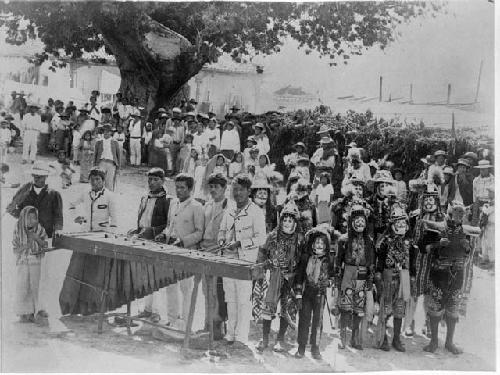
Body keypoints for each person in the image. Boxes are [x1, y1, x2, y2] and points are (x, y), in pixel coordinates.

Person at [59, 167, 118, 315]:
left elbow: (115, 221)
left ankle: (96, 307)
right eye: (92, 179)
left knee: (97, 273)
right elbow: (70, 204)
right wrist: (77, 216)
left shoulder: (110, 196)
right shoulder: (85, 193)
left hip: (100, 239)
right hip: (85, 236)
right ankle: (75, 306)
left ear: (103, 181)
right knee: (79, 270)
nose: (94, 182)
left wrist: (108, 234)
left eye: (98, 179)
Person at [422, 202, 478, 355]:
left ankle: (449, 342)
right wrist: (437, 244)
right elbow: (423, 246)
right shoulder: (438, 228)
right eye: (456, 213)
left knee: (453, 307)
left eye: (462, 214)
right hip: (439, 272)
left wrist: (467, 247)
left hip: (457, 273)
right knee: (435, 306)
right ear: (450, 213)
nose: (459, 216)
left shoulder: (466, 231)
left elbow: (470, 253)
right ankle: (433, 341)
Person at [218, 174, 266, 345]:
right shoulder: (229, 210)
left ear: (248, 191)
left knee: (243, 300)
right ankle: (230, 334)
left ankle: (241, 337)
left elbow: (261, 239)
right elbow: (222, 231)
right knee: (230, 298)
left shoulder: (256, 212)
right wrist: (222, 241)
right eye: (234, 190)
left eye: (240, 190)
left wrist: (240, 243)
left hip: (245, 262)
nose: (237, 193)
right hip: (228, 260)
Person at [155, 174, 205, 330]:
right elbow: (170, 225)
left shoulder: (197, 207)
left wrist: (183, 241)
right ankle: (172, 319)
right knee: (170, 286)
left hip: (187, 252)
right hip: (171, 250)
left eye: (182, 187)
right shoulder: (173, 203)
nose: (179, 190)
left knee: (186, 289)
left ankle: (185, 323)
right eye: (177, 187)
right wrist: (164, 234)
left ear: (190, 189)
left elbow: (199, 232)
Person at [254, 201, 303, 352]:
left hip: (290, 278)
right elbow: (261, 254)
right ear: (280, 221)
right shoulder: (272, 237)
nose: (287, 223)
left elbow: (301, 261)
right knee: (268, 307)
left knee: (287, 308)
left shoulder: (299, 240)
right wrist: (262, 269)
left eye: (291, 220)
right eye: (285, 220)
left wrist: (299, 283)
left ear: (295, 223)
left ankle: (280, 339)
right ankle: (265, 338)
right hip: (273, 276)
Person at [126, 168, 173, 322]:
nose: (152, 183)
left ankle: (157, 312)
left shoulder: (168, 200)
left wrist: (152, 231)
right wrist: (137, 229)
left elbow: (169, 224)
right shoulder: (144, 197)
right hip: (142, 240)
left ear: (163, 181)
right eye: (150, 179)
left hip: (156, 241)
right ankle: (146, 309)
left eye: (155, 180)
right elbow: (142, 218)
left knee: (156, 278)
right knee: (144, 277)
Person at [375, 202, 417, 352]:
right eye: (397, 223)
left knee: (399, 309)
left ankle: (397, 339)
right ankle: (384, 337)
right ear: (392, 225)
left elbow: (412, 263)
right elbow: (380, 260)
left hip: (403, 279)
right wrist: (378, 273)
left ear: (407, 226)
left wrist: (412, 276)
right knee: (386, 308)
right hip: (388, 277)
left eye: (403, 223)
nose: (400, 226)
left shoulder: (410, 244)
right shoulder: (386, 242)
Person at [294, 225, 335, 359]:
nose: (319, 245)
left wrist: (329, 282)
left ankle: (315, 347)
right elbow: (299, 276)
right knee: (304, 319)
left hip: (320, 294)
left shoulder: (328, 260)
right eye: (317, 242)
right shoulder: (306, 258)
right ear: (312, 244)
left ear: (326, 246)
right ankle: (301, 347)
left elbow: (332, 275)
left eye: (322, 243)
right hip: (307, 292)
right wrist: (298, 293)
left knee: (318, 321)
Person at [336, 203, 374, 350]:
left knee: (359, 308)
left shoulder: (369, 241)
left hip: (362, 275)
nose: (360, 223)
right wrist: (338, 279)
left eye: (362, 221)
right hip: (348, 274)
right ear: (351, 222)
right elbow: (338, 262)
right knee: (345, 307)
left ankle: (355, 338)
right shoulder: (344, 240)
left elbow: (371, 262)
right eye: (356, 220)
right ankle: (343, 338)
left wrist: (370, 279)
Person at [200, 173, 230, 338]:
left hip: (219, 251)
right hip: (205, 249)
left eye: (216, 187)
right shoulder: (207, 205)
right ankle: (207, 323)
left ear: (224, 188)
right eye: (211, 187)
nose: (213, 190)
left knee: (218, 290)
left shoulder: (229, 207)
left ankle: (218, 326)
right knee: (206, 290)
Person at [13, 206, 49, 324]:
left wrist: (36, 238)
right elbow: (15, 249)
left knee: (35, 286)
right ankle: (24, 313)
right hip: (23, 262)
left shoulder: (39, 229)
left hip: (35, 262)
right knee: (23, 287)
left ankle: (36, 311)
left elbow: (45, 245)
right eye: (29, 218)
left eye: (34, 218)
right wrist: (25, 246)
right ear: (23, 219)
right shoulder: (18, 230)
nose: (32, 221)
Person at [94, 124, 120, 191]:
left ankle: (109, 197)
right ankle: (99, 196)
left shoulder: (115, 142)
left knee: (109, 182)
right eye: (105, 131)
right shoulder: (99, 142)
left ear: (111, 132)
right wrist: (94, 165)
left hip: (111, 163)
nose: (106, 132)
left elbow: (118, 155)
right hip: (101, 162)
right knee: (99, 181)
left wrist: (118, 166)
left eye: (108, 131)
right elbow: (95, 154)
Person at [472, 159, 494, 225]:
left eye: (484, 169)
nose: (482, 171)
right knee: (476, 221)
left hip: (489, 203)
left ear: (488, 169)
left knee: (487, 223)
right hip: (478, 202)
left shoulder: (493, 180)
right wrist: (475, 204)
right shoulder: (476, 180)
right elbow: (474, 193)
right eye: (481, 169)